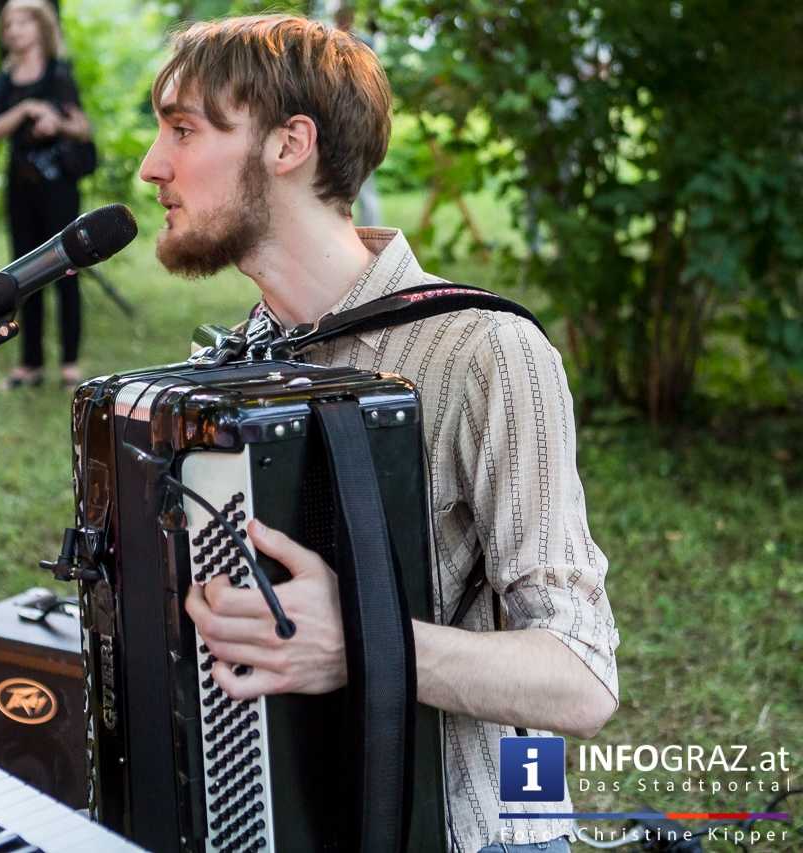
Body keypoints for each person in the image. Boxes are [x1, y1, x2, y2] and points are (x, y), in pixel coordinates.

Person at [138, 16, 619, 853]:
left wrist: (361, 641)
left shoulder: (485, 351)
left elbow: (581, 678)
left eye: (184, 130)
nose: (152, 166)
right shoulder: (242, 365)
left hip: (470, 833)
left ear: (291, 145)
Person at [0, 0, 92, 389]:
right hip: (21, 186)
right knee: (22, 276)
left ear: (40, 26)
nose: (13, 30)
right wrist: (26, 109)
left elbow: (83, 127)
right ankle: (29, 364)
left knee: (67, 270)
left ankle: (69, 363)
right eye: (8, 24)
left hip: (59, 187)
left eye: (22, 22)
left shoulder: (59, 73)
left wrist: (56, 122)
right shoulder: (5, 79)